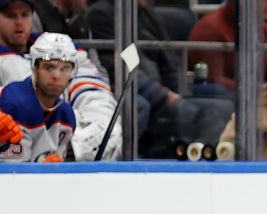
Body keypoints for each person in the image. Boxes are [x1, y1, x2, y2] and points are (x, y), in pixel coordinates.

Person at [87, 0, 234, 159]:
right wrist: (165, 95)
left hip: (161, 90)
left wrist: (179, 91)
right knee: (161, 107)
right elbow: (119, 67)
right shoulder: (102, 13)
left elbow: (168, 61)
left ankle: (201, 159)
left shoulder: (148, 13)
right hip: (129, 89)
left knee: (223, 105)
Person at [0, 0, 120, 160]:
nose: (19, 22)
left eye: (25, 14)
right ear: (34, 68)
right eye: (11, 16)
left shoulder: (64, 50)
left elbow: (98, 101)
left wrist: (79, 143)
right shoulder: (14, 97)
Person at [0, 31, 75, 162]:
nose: (56, 76)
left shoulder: (67, 116)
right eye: (49, 67)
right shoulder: (13, 102)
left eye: (64, 68)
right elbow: (12, 172)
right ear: (34, 68)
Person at [188, 0, 267, 98]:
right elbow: (213, 80)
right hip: (225, 100)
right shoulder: (209, 29)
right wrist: (259, 89)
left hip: (261, 98)